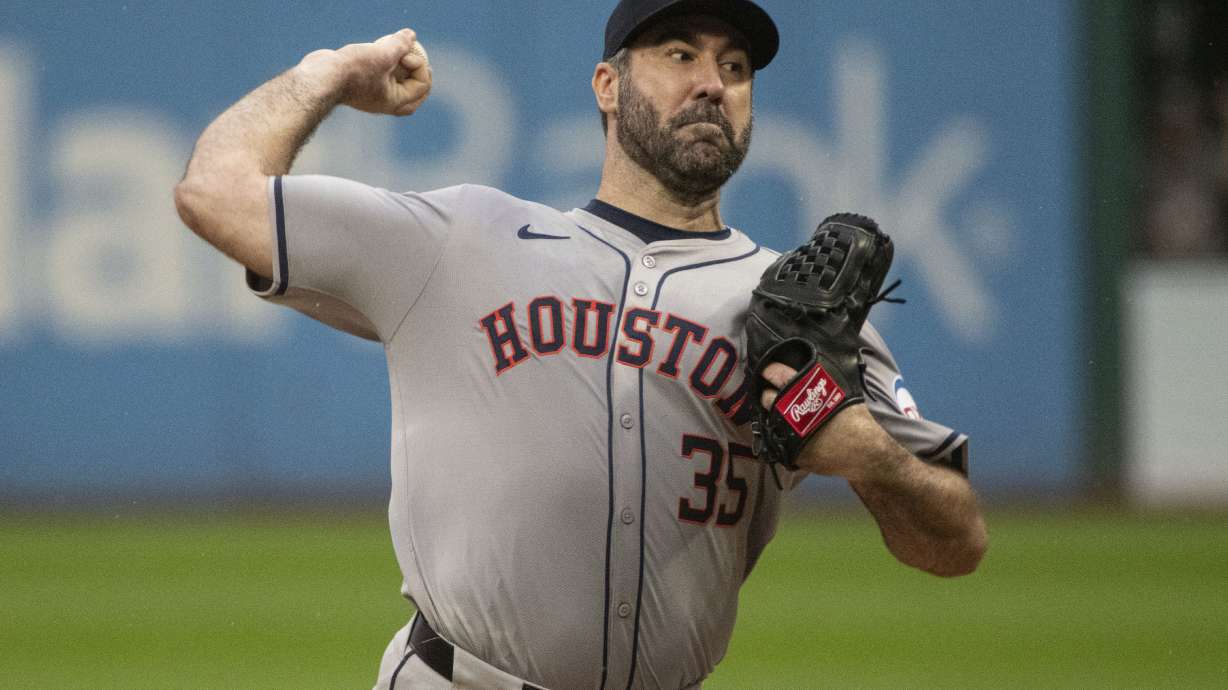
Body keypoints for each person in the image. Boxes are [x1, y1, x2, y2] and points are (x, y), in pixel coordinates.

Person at [174, 1, 987, 687]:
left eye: (736, 68)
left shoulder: (794, 310)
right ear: (608, 86)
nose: (712, 82)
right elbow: (215, 193)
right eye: (680, 54)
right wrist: (330, 74)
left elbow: (956, 544)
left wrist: (871, 457)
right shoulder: (462, 239)